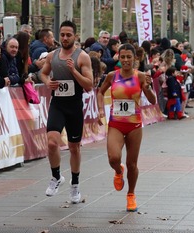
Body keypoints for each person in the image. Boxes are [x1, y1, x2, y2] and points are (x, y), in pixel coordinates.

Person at [96, 43, 156, 212]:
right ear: (119, 58)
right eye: (123, 57)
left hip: (134, 125)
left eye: (129, 57)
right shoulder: (112, 76)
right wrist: (100, 109)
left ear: (134, 58)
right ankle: (117, 170)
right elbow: (100, 92)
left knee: (132, 164)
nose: (126, 60)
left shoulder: (141, 76)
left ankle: (131, 194)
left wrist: (147, 88)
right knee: (113, 158)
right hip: (116, 123)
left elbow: (152, 100)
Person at [40, 20, 93, 204]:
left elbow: (89, 85)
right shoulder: (52, 56)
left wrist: (73, 71)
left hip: (74, 106)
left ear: (75, 36)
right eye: (62, 34)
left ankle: (75, 185)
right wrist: (47, 82)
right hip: (58, 105)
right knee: (52, 143)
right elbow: (43, 73)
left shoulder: (82, 57)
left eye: (68, 35)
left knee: (74, 148)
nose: (64, 38)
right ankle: (56, 177)